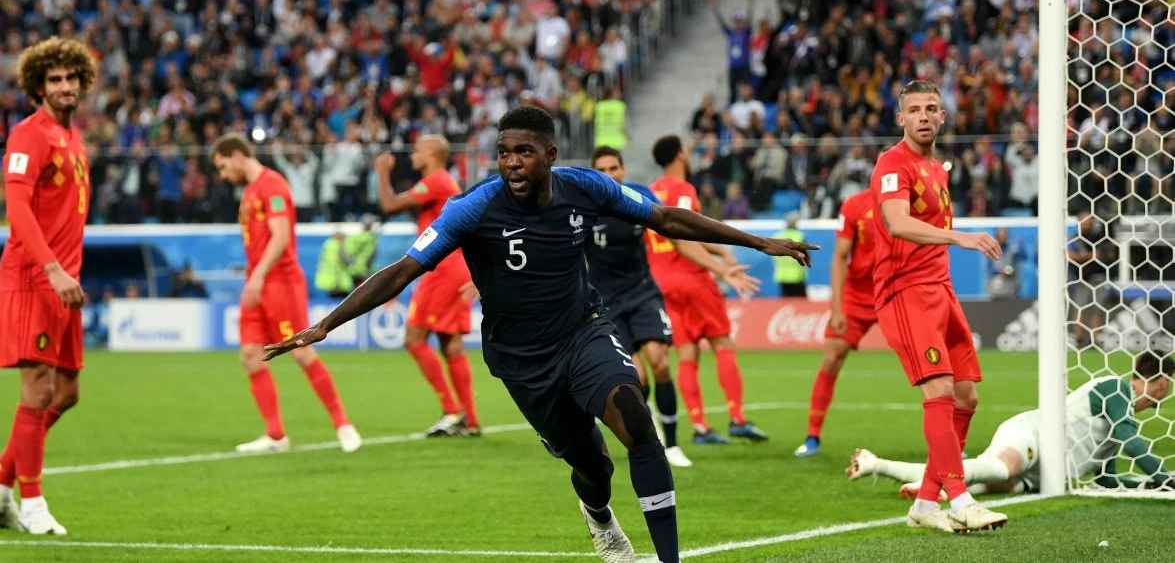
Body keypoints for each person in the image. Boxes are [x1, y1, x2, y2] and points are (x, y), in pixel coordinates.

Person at [263, 106, 817, 563]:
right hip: (521, 360)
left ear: (550, 155)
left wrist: (758, 242)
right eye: (504, 152)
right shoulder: (473, 207)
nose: (511, 162)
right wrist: (325, 324)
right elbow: (403, 270)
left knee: (635, 419)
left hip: (585, 331)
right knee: (592, 465)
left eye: (524, 151)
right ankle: (600, 518)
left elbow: (665, 219)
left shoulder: (585, 187)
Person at [869, 80, 1007, 533]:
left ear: (943, 117)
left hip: (940, 291)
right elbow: (895, 220)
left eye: (932, 108)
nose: (924, 116)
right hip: (905, 293)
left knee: (967, 395)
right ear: (901, 118)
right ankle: (961, 498)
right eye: (915, 109)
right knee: (940, 392)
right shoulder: (893, 163)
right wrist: (959, 236)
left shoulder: (938, 169)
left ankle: (926, 502)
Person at [587, 147, 761, 469]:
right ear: (595, 173)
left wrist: (721, 268)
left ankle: (673, 443)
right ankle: (651, 432)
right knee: (636, 377)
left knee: (661, 363)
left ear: (623, 170)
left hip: (643, 292)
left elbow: (679, 235)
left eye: (615, 167)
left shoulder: (638, 197)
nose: (610, 175)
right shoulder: (585, 207)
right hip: (607, 301)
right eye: (603, 170)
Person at [210, 134, 361, 454]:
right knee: (251, 356)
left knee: (301, 351)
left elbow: (280, 238)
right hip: (258, 282)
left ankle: (343, 424)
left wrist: (259, 276)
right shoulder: (251, 191)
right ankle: (276, 436)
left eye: (223, 167)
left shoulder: (272, 185)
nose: (223, 175)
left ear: (237, 155)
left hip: (279, 281)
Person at [0, 36, 96, 534]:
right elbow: (15, 208)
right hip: (34, 278)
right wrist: (54, 268)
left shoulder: (74, 139)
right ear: (38, 86)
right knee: (37, 389)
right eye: (54, 80)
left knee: (67, 392)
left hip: (65, 283)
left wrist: (68, 273)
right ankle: (32, 504)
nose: (64, 87)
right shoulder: (28, 136)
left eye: (71, 78)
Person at [849, 351, 1175, 496]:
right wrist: (1166, 478)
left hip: (1037, 477)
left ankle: (875, 463)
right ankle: (922, 483)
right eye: (1169, 386)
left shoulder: (1120, 421)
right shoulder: (1117, 389)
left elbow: (1107, 481)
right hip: (1031, 435)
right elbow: (1133, 443)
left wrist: (1148, 485)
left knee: (978, 481)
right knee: (1000, 469)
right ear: (1161, 382)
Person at [648, 135, 769, 445]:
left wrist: (720, 252)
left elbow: (672, 232)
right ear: (680, 156)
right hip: (692, 276)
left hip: (663, 281)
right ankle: (737, 418)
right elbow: (686, 228)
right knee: (722, 343)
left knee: (687, 352)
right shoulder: (683, 190)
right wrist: (721, 266)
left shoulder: (650, 191)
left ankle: (700, 427)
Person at [374, 136, 479, 437]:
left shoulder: (435, 181)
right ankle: (470, 420)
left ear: (432, 153)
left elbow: (389, 204)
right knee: (450, 344)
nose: (413, 156)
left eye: (418, 150)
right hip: (454, 267)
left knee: (414, 338)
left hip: (443, 269)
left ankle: (452, 410)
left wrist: (382, 172)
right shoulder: (445, 183)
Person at [795, 190, 879, 458]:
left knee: (922, 362)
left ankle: (948, 445)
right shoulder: (856, 204)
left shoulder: (911, 201)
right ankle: (812, 436)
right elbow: (841, 256)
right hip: (858, 292)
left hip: (895, 289)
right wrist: (837, 307)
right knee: (832, 356)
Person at [773, 212, 808, 297]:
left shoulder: (777, 236)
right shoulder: (799, 236)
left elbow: (774, 256)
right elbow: (805, 256)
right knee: (802, 305)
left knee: (785, 301)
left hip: (782, 275)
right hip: (797, 276)